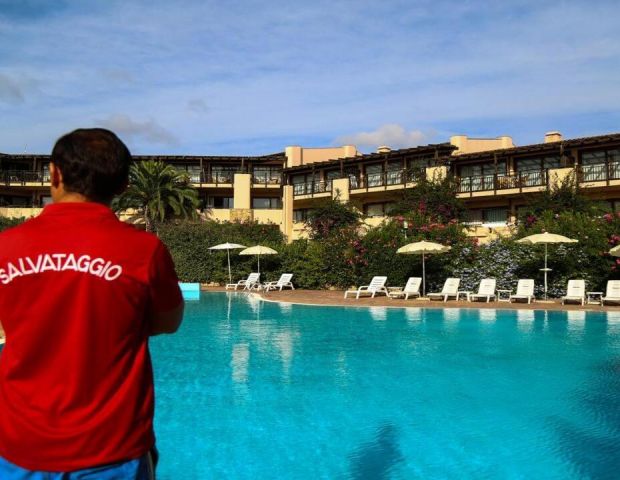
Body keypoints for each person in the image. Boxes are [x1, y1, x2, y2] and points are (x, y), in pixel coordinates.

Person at [0, 128, 184, 479]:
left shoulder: (5, 248)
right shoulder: (144, 251)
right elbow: (168, 322)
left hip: (20, 449)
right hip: (112, 451)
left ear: (54, 174)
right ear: (123, 185)